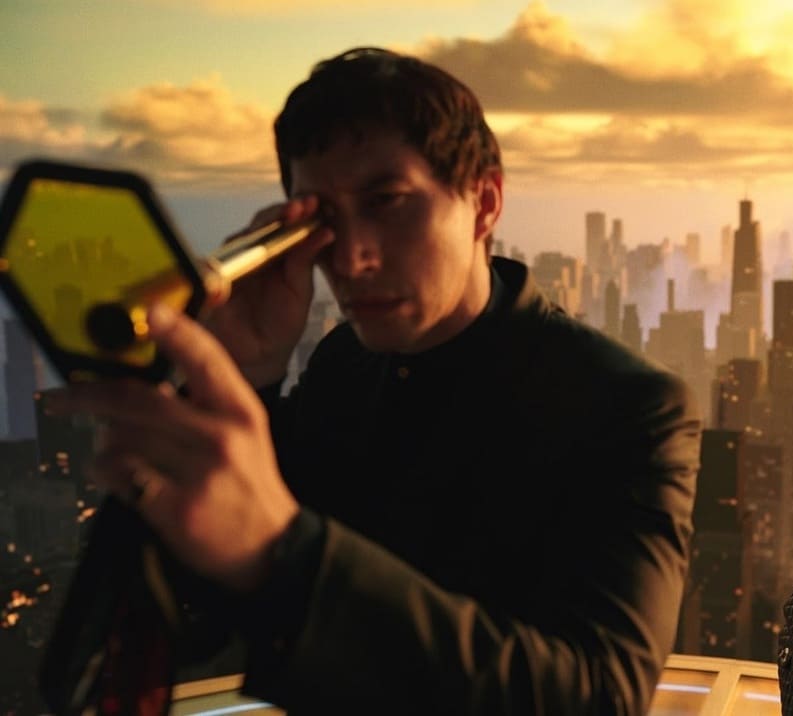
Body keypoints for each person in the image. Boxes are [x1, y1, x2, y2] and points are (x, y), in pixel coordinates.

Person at [42, 47, 701, 714]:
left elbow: (601, 697)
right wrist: (248, 375)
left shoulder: (627, 407)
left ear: (485, 203)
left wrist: (283, 552)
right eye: (324, 220)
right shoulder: (342, 367)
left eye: (387, 203)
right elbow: (201, 619)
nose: (352, 259)